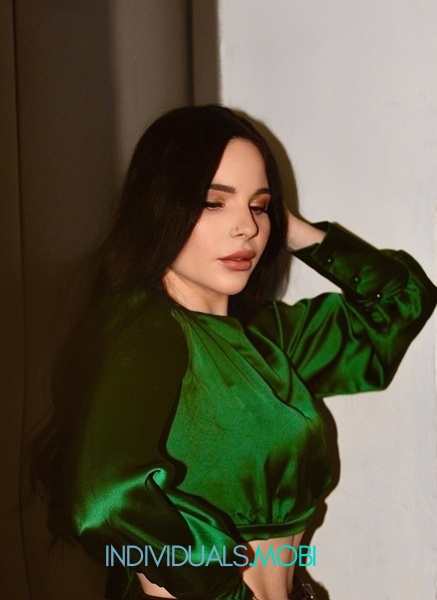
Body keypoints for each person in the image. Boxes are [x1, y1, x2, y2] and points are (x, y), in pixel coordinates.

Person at [31, 105, 437, 600]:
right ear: (162, 208)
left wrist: (290, 227)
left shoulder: (267, 339)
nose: (246, 226)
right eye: (213, 202)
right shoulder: (142, 329)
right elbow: (105, 500)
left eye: (258, 206)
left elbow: (400, 302)